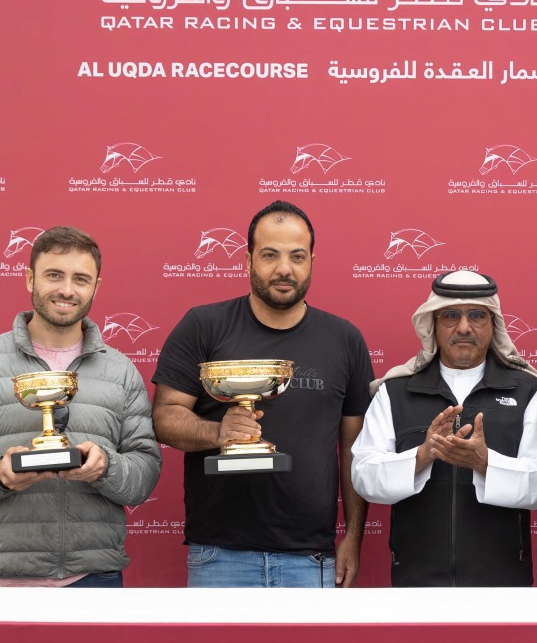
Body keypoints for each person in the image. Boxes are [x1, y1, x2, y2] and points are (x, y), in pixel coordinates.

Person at [0, 226, 161, 587]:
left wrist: (106, 467)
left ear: (97, 286)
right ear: (30, 279)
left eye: (81, 278)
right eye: (54, 275)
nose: (67, 289)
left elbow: (145, 469)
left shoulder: (120, 371)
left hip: (92, 579)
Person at [152, 200, 373, 588]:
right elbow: (165, 416)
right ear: (248, 258)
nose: (284, 269)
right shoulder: (203, 326)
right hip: (219, 554)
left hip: (311, 556)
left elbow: (353, 447)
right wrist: (217, 433)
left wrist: (352, 536)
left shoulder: (345, 340)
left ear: (312, 261)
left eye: (297, 256)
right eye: (270, 255)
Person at [352, 270, 537, 586]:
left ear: (494, 325)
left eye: (477, 315)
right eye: (451, 316)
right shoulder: (395, 392)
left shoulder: (528, 391)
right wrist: (422, 456)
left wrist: (483, 463)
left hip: (503, 584)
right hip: (415, 581)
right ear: (432, 324)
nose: (464, 327)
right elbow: (363, 475)